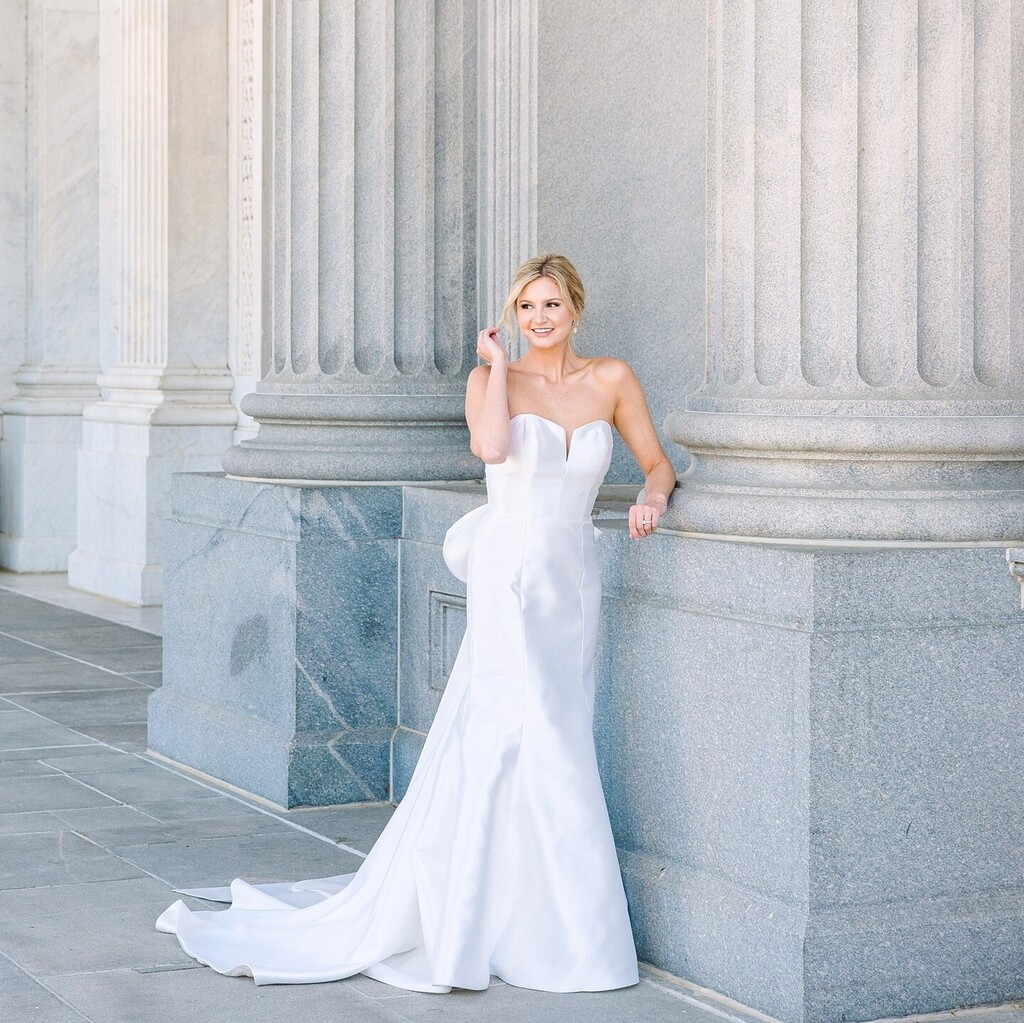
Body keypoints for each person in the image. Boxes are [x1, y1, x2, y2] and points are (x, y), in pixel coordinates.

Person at [156, 253, 676, 994]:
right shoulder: (489, 380)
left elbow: (657, 463)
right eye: (525, 307)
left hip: (574, 579)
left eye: (551, 305)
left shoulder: (612, 379)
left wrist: (650, 499)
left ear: (575, 309)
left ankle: (533, 915)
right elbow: (493, 449)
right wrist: (497, 367)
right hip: (509, 573)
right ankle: (552, 936)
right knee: (520, 731)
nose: (538, 319)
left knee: (561, 725)